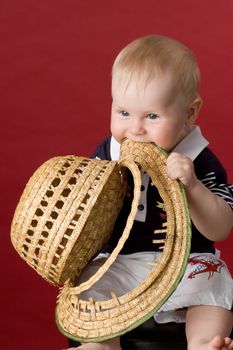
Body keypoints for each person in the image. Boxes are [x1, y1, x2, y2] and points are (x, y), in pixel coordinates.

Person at [64, 35, 233, 350]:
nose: (135, 129)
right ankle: (102, 344)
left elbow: (221, 228)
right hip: (120, 261)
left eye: (152, 116)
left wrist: (193, 185)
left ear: (189, 113)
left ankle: (203, 342)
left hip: (186, 263)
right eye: (123, 112)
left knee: (214, 279)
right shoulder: (108, 155)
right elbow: (86, 217)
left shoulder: (198, 159)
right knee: (89, 283)